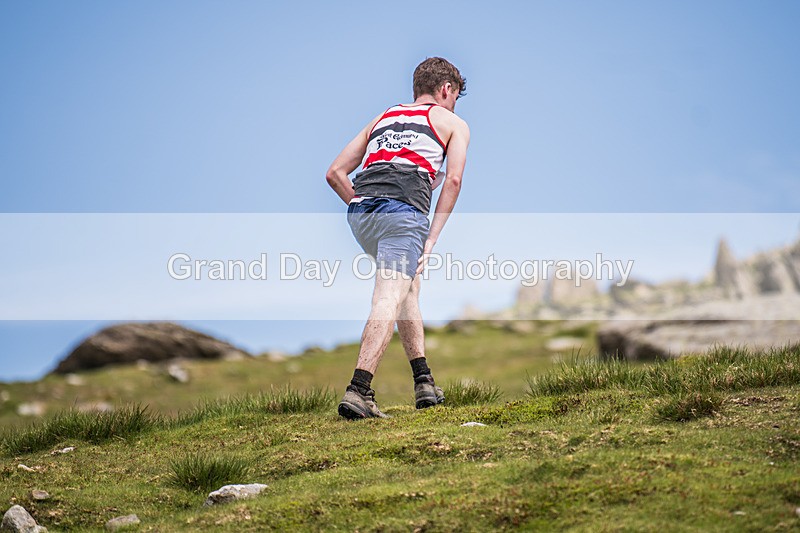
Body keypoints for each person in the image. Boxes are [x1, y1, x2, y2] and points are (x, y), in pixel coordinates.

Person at [326, 57, 470, 419]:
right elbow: (452, 181)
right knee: (388, 295)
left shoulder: (384, 117)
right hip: (402, 215)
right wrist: (432, 237)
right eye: (454, 97)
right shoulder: (452, 122)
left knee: (409, 288)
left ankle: (424, 383)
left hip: (362, 214)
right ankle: (359, 390)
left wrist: (365, 206)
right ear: (446, 90)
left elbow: (335, 173)